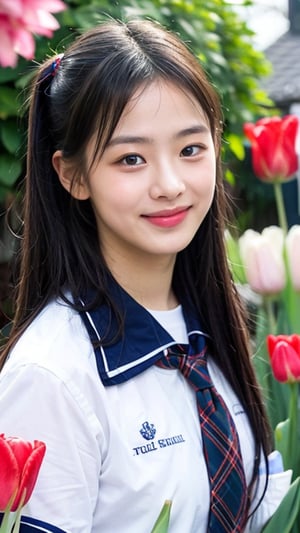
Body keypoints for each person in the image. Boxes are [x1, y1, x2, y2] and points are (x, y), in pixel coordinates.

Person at [0, 18, 292, 533]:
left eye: (190, 149)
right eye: (131, 158)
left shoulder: (209, 330)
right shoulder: (51, 377)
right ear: (72, 175)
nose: (170, 184)